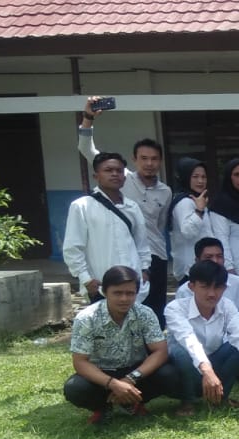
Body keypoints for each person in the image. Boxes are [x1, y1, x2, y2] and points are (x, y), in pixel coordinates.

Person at [78, 98, 172, 321]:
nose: (149, 163)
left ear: (160, 161)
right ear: (134, 160)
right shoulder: (121, 178)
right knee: (124, 309)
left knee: (154, 312)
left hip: (156, 257)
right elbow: (86, 149)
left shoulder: (165, 191)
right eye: (144, 158)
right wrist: (88, 118)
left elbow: (159, 225)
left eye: (154, 159)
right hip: (126, 257)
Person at [63, 265, 180, 424]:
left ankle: (134, 402)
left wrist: (130, 378)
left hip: (136, 372)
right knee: (74, 388)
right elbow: (80, 362)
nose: (124, 299)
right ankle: (103, 407)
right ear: (105, 292)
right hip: (101, 375)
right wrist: (113, 384)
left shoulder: (145, 313)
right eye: (117, 293)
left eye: (130, 293)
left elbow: (160, 351)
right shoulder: (87, 318)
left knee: (170, 374)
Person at [164, 260, 239, 416]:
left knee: (238, 346)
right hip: (184, 366)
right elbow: (189, 340)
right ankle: (188, 400)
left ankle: (220, 397)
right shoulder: (175, 308)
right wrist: (207, 370)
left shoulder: (227, 305)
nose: (212, 293)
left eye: (217, 287)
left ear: (224, 288)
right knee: (181, 352)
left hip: (214, 358)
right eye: (205, 287)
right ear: (192, 287)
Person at [63, 151, 150, 305]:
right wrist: (85, 279)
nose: (115, 174)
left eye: (119, 171)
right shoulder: (82, 206)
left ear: (124, 177)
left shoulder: (132, 207)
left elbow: (141, 244)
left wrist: (144, 270)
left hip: (132, 285)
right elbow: (73, 247)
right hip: (100, 285)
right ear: (96, 176)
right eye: (108, 170)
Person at [173, 238, 239, 328]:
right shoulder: (185, 290)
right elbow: (181, 322)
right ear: (197, 260)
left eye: (219, 256)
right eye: (209, 257)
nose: (215, 261)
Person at [168, 158, 212, 284]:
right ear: (186, 177)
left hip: (200, 266)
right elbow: (188, 231)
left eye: (203, 177)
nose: (200, 181)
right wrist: (199, 211)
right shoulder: (184, 202)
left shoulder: (196, 199)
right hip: (190, 269)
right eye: (195, 177)